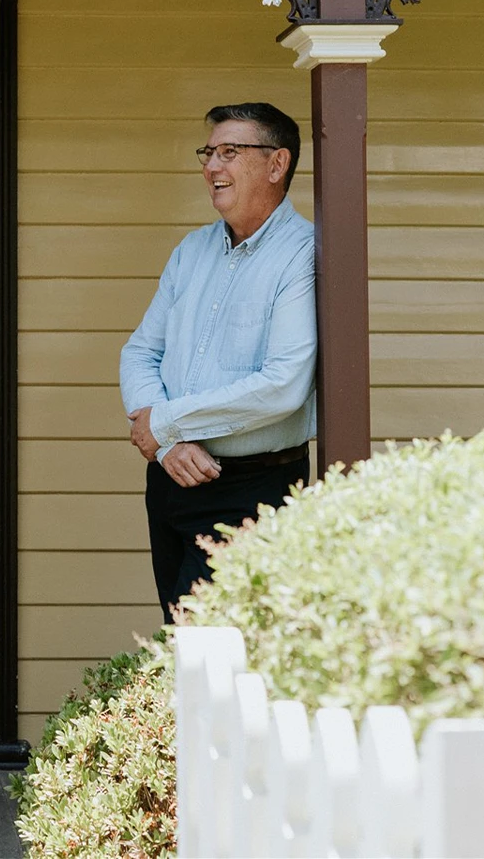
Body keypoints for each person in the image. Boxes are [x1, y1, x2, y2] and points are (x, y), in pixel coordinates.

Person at [120, 102, 317, 614]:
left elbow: (284, 384)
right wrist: (166, 447)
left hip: (252, 490)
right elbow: (141, 351)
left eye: (230, 152)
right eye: (209, 152)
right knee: (180, 639)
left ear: (277, 165)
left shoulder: (303, 253)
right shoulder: (191, 250)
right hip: (170, 482)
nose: (212, 167)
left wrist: (162, 422)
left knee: (208, 645)